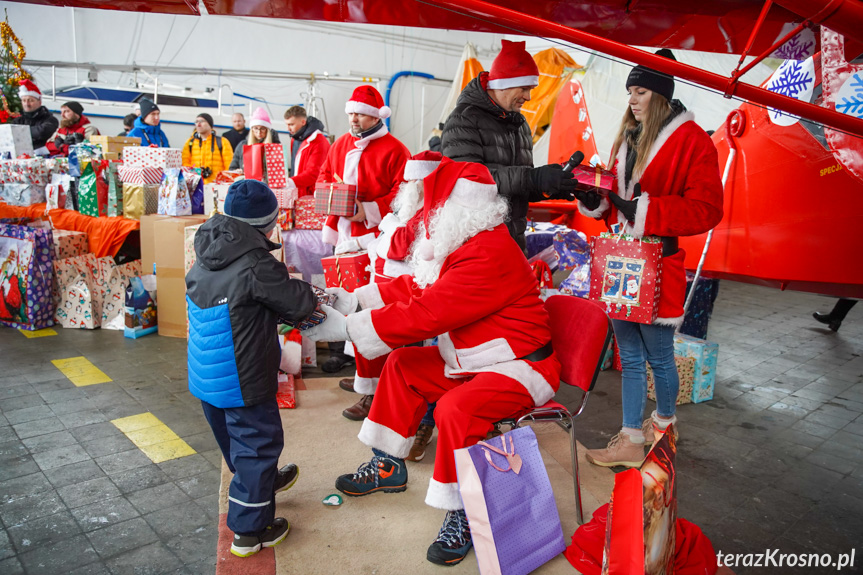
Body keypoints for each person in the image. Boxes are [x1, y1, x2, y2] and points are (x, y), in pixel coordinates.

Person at [304, 158, 561, 565]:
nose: (426, 217)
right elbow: (417, 285)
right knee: (403, 366)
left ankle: (463, 511)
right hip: (479, 358)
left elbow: (428, 312)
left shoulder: (487, 252)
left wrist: (347, 328)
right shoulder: (466, 240)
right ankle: (387, 465)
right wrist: (352, 300)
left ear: (454, 210)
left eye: (432, 209)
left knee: (457, 409)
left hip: (520, 367)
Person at [578, 49, 723, 467]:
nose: (632, 99)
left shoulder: (693, 141)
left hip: (660, 264)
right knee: (628, 352)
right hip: (624, 262)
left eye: (640, 91)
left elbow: (708, 209)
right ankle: (629, 437)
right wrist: (596, 199)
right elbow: (615, 200)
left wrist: (645, 209)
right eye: (629, 91)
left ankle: (662, 428)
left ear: (659, 95)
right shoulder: (627, 138)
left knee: (659, 353)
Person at [186, 179, 318, 558]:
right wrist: (308, 291)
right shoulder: (257, 262)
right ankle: (250, 531)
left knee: (235, 440)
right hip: (243, 377)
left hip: (207, 374)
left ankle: (258, 484)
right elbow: (299, 305)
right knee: (258, 445)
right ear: (268, 224)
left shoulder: (208, 245)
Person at [331, 151, 442, 430]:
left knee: (380, 338)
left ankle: (376, 395)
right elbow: (384, 236)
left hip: (402, 287)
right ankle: (369, 386)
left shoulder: (430, 211)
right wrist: (361, 242)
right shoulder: (409, 207)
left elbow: (398, 245)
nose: (405, 187)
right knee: (366, 334)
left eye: (411, 181)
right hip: (383, 280)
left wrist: (389, 226)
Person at [440, 40, 577, 253]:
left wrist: (550, 187)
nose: (528, 97)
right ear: (504, 83)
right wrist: (533, 178)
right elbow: (468, 183)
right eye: (524, 88)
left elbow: (519, 189)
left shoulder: (519, 124)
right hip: (475, 244)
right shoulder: (464, 120)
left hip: (512, 243)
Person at [316, 85, 410, 376]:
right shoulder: (340, 144)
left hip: (373, 237)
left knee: (367, 299)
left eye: (361, 114)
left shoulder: (396, 149)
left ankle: (370, 365)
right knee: (338, 290)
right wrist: (329, 195)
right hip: (342, 232)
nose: (354, 118)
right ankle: (344, 354)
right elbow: (324, 174)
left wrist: (367, 209)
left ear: (376, 116)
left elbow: (404, 195)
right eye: (351, 113)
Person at [283, 106, 329, 197]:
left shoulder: (319, 141)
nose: (288, 129)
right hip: (297, 192)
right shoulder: (295, 139)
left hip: (311, 195)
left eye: (291, 124)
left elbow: (314, 174)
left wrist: (289, 182)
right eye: (287, 124)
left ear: (303, 122)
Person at [182, 113, 233, 184]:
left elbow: (229, 165)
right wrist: (196, 171)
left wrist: (223, 182)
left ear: (210, 124)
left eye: (202, 121)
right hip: (195, 184)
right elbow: (185, 164)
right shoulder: (190, 142)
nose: (198, 124)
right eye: (196, 122)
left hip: (216, 185)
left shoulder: (222, 141)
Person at [11, 80, 59, 151]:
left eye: (30, 100)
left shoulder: (50, 119)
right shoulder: (17, 120)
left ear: (39, 102)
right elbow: (11, 136)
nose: (27, 104)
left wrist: (20, 132)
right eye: (24, 101)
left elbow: (42, 132)